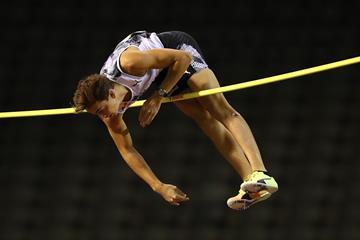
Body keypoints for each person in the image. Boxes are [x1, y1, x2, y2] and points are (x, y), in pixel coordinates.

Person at [72, 30, 278, 210]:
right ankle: (251, 184)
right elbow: (127, 150)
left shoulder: (130, 63)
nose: (103, 116)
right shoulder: (112, 113)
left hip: (175, 50)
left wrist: (158, 96)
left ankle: (261, 172)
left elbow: (183, 58)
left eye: (101, 110)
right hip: (159, 74)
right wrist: (158, 186)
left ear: (109, 94)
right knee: (206, 121)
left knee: (220, 110)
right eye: (97, 114)